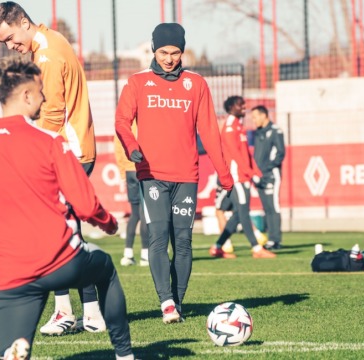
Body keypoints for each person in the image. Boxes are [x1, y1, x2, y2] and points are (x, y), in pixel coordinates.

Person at [0, 57, 135, 360]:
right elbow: (86, 204)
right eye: (40, 91)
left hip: (11, 274)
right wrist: (108, 223)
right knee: (104, 269)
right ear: (26, 96)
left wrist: (1, 251)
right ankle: (125, 355)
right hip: (62, 262)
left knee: (9, 356)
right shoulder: (50, 141)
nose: (44, 98)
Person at [0, 2, 104, 336]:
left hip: (67, 151)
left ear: (23, 23)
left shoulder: (48, 56)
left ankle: (83, 312)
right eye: (5, 43)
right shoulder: (50, 42)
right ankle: (76, 311)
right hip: (72, 149)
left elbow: (52, 112)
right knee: (60, 234)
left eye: (11, 38)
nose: (11, 47)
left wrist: (30, 150)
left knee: (57, 236)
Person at [115, 23, 234, 324]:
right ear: (154, 50)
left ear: (183, 51)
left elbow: (209, 131)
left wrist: (224, 172)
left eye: (176, 52)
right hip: (151, 174)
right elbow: (121, 121)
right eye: (163, 52)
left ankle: (177, 301)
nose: (169, 58)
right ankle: (165, 301)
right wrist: (131, 147)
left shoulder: (196, 84)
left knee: (183, 241)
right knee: (157, 238)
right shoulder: (138, 82)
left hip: (186, 176)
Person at [209, 96, 276, 259]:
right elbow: (235, 155)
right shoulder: (230, 127)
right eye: (240, 105)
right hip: (236, 177)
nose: (244, 107)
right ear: (232, 107)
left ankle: (218, 247)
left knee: (239, 213)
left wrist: (256, 172)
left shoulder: (239, 126)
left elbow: (246, 153)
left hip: (244, 176)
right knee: (243, 212)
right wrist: (251, 173)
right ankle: (256, 249)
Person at [114, 123, 150, 266]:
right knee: (144, 214)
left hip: (129, 171)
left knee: (134, 214)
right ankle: (145, 254)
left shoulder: (122, 125)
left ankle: (127, 254)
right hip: (141, 169)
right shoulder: (144, 122)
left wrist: (123, 172)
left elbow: (118, 149)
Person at [251, 105, 285, 250]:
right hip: (259, 176)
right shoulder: (258, 133)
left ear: (264, 115)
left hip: (271, 175)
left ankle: (275, 239)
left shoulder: (275, 131)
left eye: (255, 117)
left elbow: (280, 153)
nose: (253, 120)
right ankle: (270, 238)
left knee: (273, 206)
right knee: (266, 208)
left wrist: (266, 169)